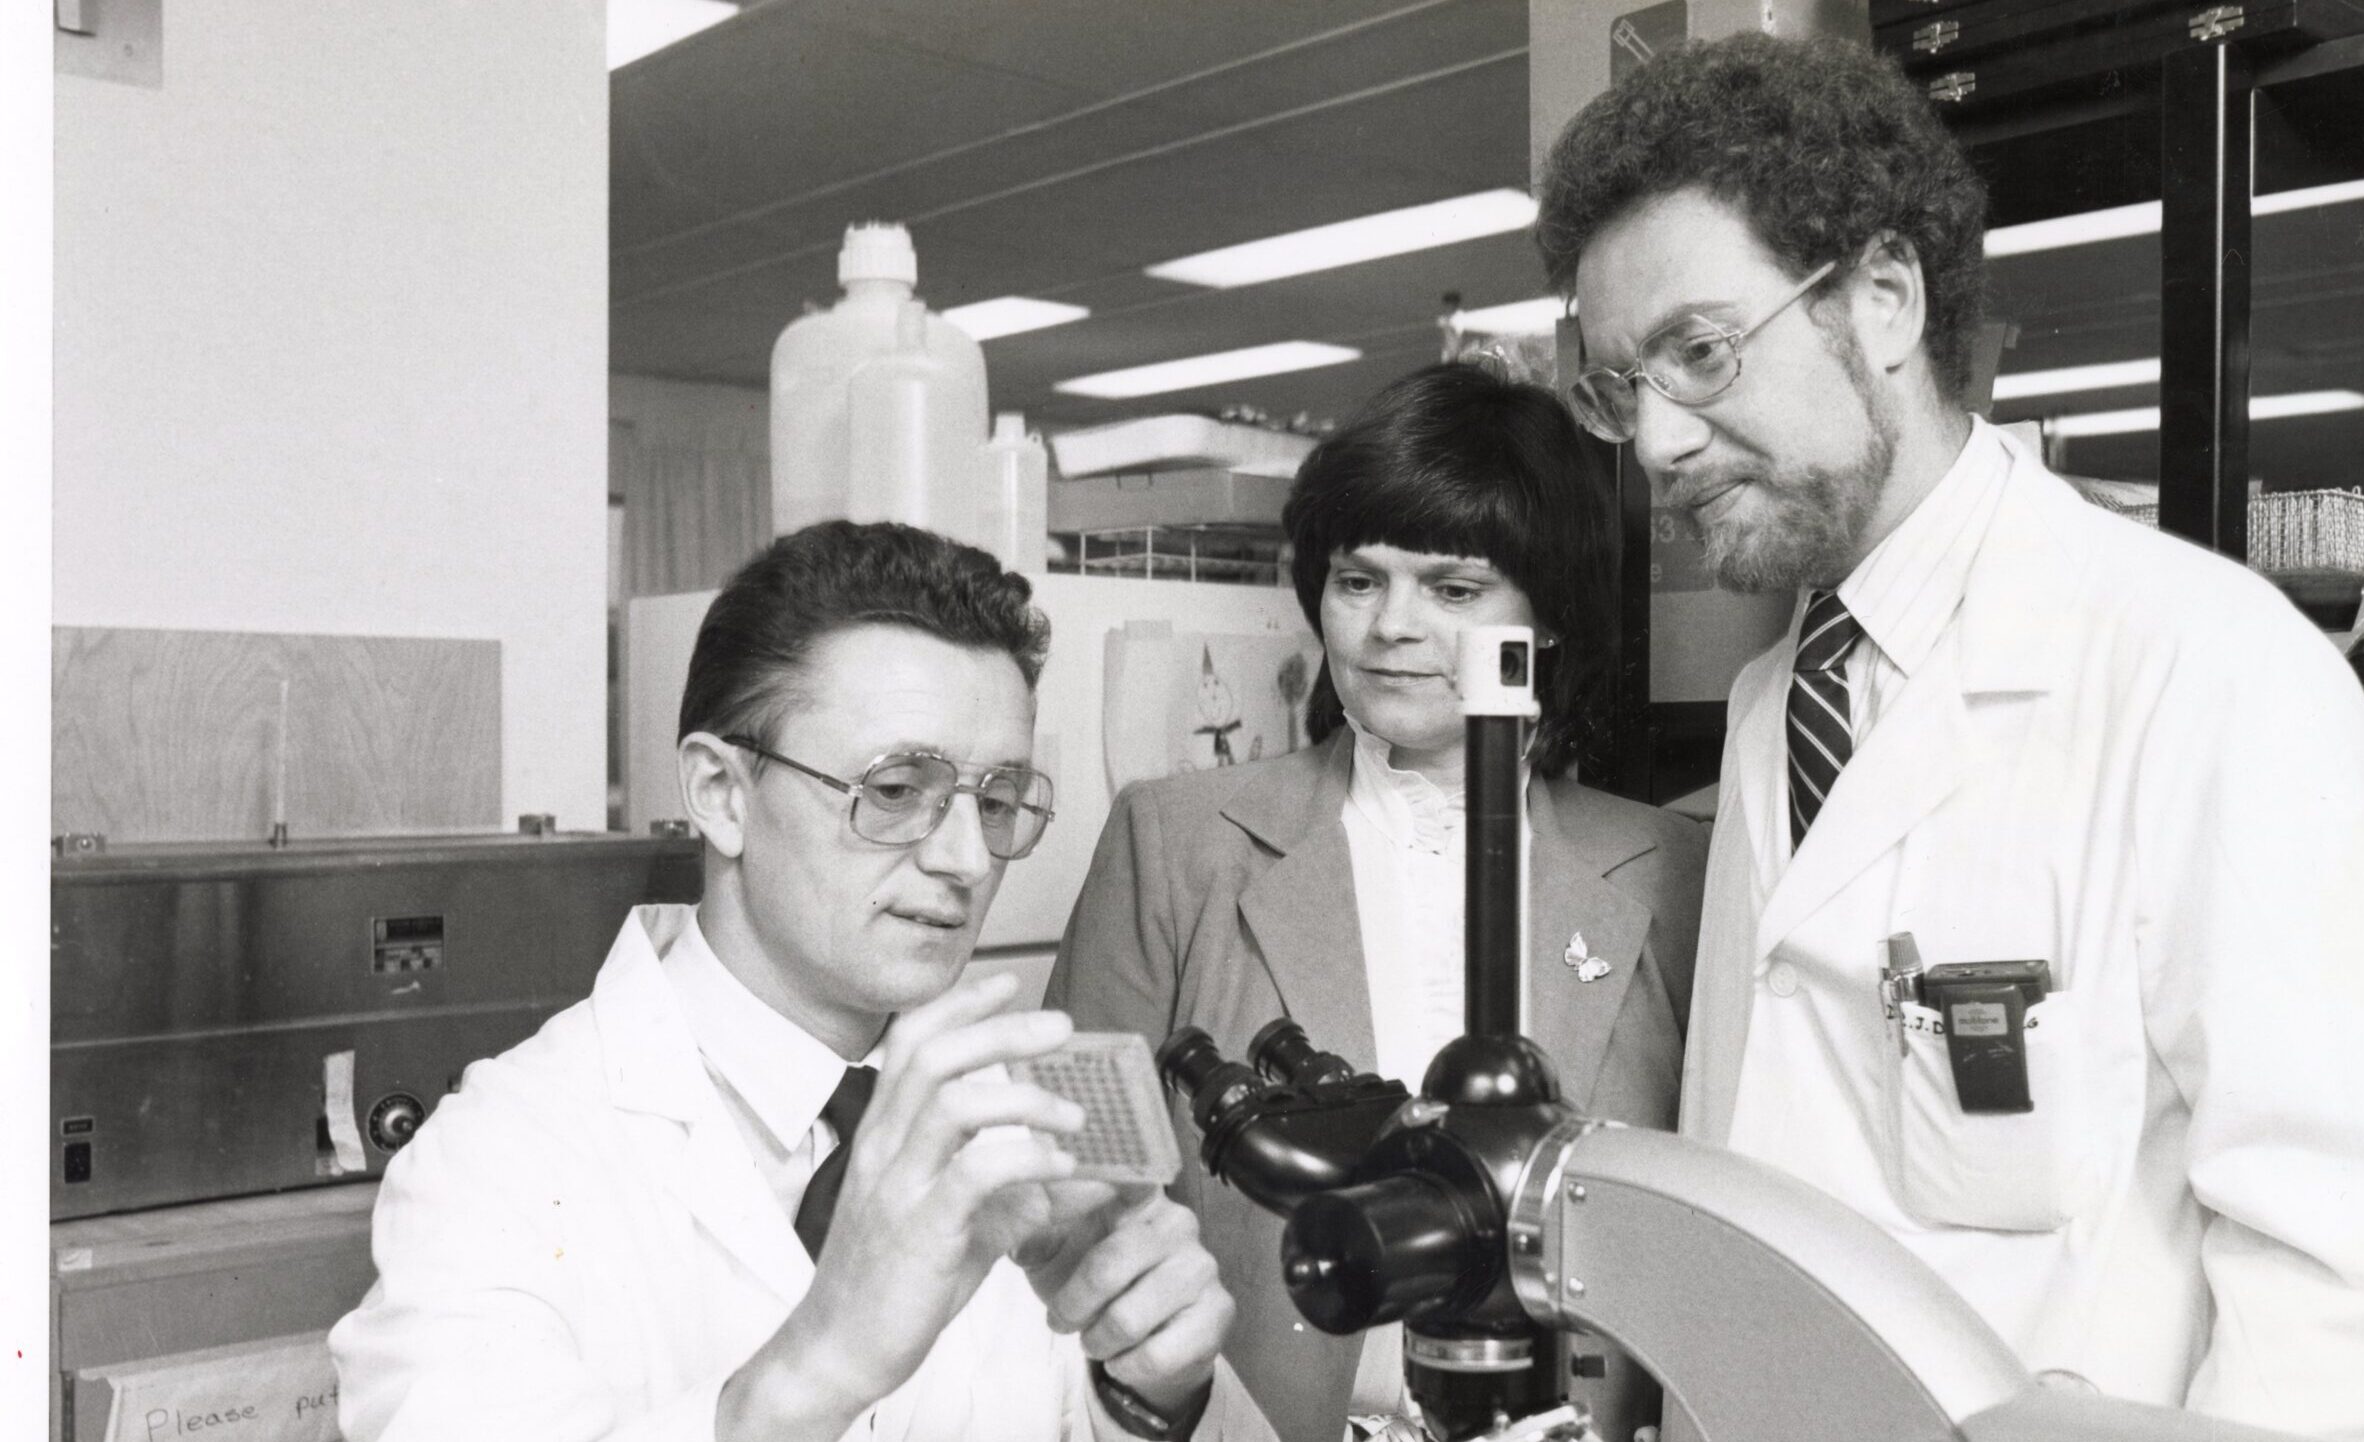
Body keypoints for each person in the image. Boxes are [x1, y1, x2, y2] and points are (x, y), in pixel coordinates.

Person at [1535, 33, 2364, 1441]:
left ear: (1880, 299)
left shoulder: (2206, 670)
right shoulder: (1773, 711)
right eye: (1623, 386)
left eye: (1698, 351)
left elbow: (2361, 1294)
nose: (1660, 443)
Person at [332, 521, 1274, 1442]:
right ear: (721, 794)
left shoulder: (1021, 1118)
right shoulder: (496, 1162)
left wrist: (1152, 1400)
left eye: (994, 802)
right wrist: (827, 1359)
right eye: (897, 790)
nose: (966, 860)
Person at [1049, 362, 1707, 1442]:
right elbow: (1078, 1187)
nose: (1390, 625)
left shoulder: (1667, 868)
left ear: (1545, 620)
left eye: (1452, 588)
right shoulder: (1173, 842)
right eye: (1358, 579)